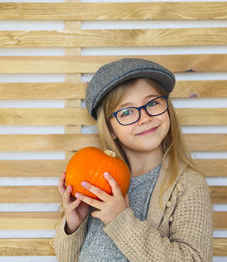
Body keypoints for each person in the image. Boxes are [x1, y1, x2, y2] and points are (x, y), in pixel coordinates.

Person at [54, 58, 213, 261]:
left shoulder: (188, 186)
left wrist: (120, 221)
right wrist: (73, 225)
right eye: (127, 112)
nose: (144, 117)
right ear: (111, 129)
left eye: (153, 103)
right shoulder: (96, 183)